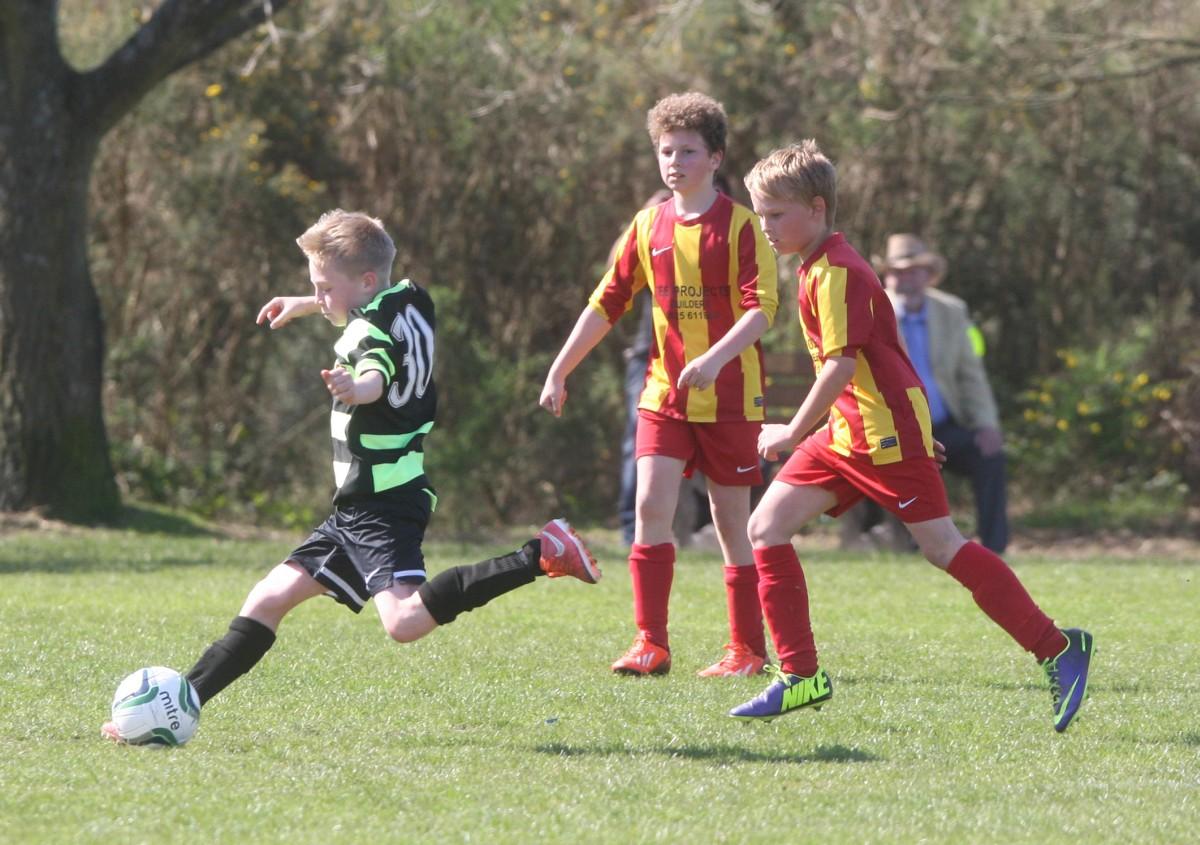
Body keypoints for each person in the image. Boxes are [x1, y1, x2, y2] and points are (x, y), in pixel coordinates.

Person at [102, 210, 599, 741]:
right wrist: (305, 304)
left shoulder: (362, 334)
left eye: (321, 287)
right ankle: (187, 702)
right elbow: (370, 313)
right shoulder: (410, 298)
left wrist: (355, 388)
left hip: (382, 503)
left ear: (362, 281)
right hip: (362, 503)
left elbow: (374, 371)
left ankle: (540, 554)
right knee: (268, 599)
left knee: (404, 623)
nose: (318, 296)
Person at [727, 141, 1092, 732]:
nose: (765, 226)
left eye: (775, 214)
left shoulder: (839, 272)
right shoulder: (816, 267)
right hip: (850, 431)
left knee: (942, 547)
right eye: (760, 213)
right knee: (766, 528)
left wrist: (794, 431)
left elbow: (841, 366)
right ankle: (800, 676)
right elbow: (876, 359)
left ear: (817, 209)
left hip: (881, 434)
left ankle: (1058, 649)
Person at [540, 92, 779, 678]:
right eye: (665, 151)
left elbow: (761, 311)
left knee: (730, 522)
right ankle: (651, 644)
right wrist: (560, 367)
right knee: (650, 504)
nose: (674, 162)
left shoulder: (745, 228)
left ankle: (745, 650)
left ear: (716, 158)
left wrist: (717, 359)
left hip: (728, 398)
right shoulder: (648, 226)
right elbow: (607, 303)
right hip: (665, 396)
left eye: (688, 151)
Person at [876, 233, 1009, 553]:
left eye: (913, 271)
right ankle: (904, 545)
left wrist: (987, 425)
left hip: (945, 425)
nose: (905, 279)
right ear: (887, 276)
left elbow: (970, 374)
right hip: (894, 427)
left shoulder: (952, 311)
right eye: (898, 272)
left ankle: (995, 549)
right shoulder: (873, 310)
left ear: (927, 275)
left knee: (990, 456)